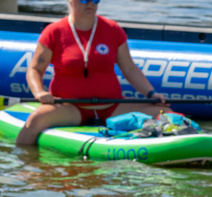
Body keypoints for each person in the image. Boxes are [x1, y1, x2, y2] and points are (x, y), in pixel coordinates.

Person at [16, 0, 169, 145]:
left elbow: (129, 68)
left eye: (95, 0)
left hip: (112, 106)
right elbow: (35, 69)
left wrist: (151, 94)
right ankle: (27, 165)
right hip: (71, 107)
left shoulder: (112, 29)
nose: (90, 3)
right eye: (84, 0)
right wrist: (39, 92)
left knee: (164, 112)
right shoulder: (54, 31)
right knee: (35, 120)